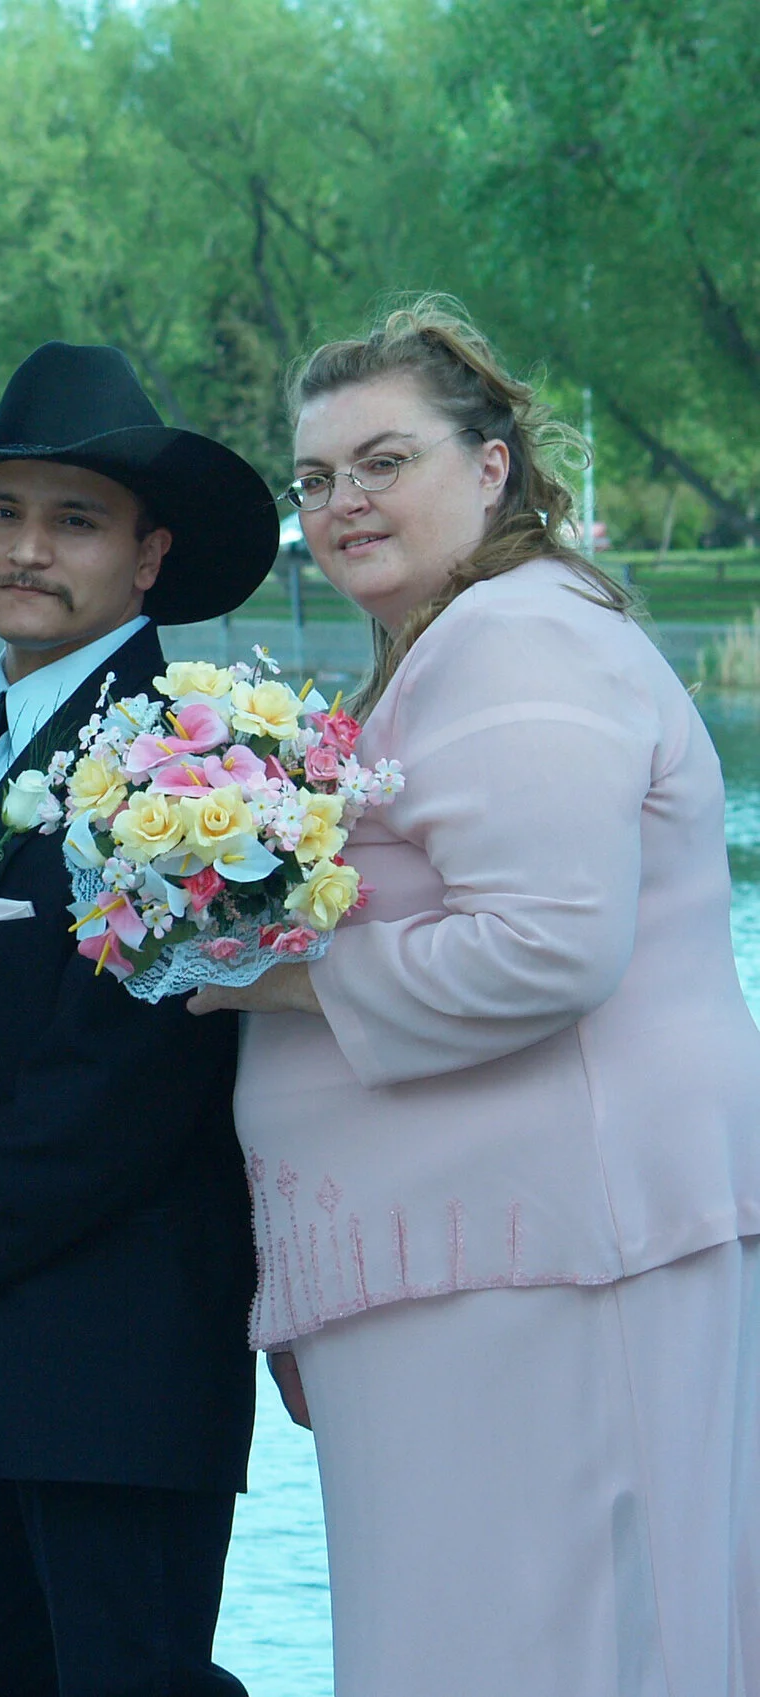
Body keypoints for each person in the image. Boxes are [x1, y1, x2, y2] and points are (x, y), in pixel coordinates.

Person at [190, 298, 760, 1696]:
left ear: (491, 464)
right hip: (487, 1267)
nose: (342, 503)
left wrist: (278, 975)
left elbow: (548, 948)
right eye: (317, 479)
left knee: (547, 1652)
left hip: (556, 1259)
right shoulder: (460, 639)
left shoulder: (520, 642)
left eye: (385, 462)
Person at [0, 342, 275, 1696]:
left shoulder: (195, 760)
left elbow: (128, 1084)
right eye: (2, 514)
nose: (27, 549)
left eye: (74, 520)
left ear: (150, 556)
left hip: (114, 1363)